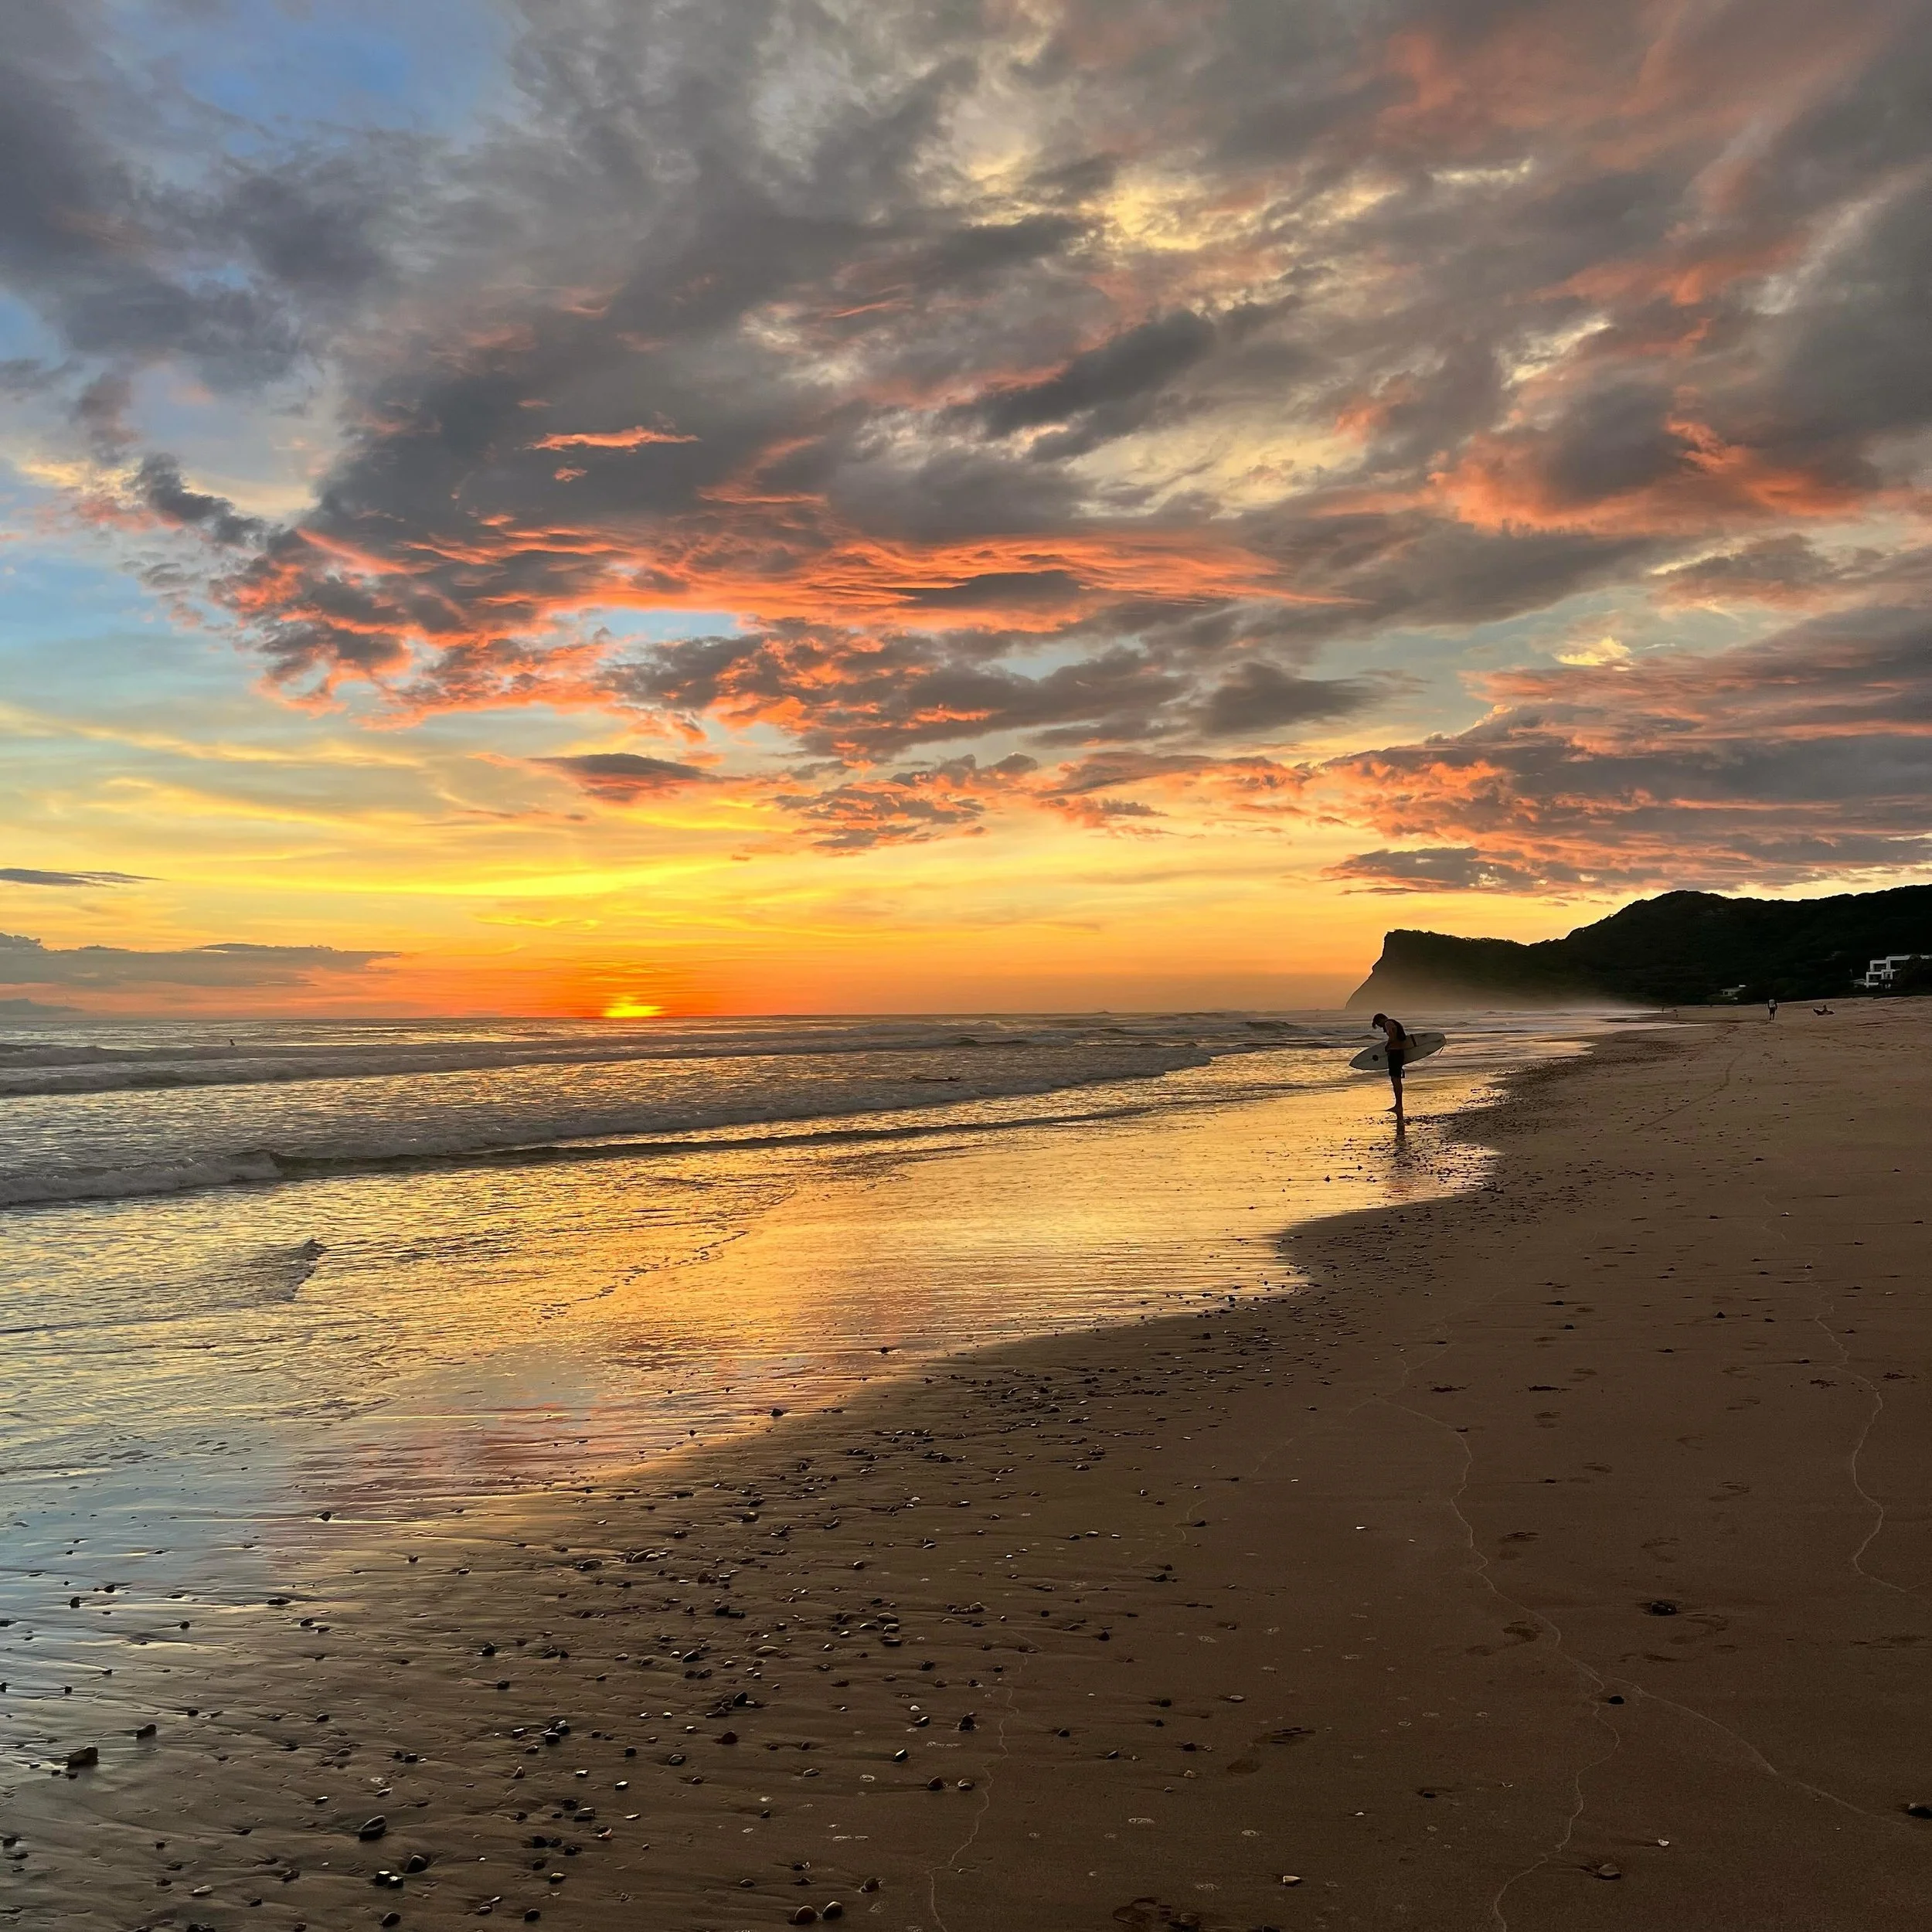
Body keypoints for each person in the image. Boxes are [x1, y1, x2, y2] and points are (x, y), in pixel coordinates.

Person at [1370, 1012, 1410, 1128]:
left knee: (1395, 1079)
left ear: (1380, 1020)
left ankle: (1398, 1105)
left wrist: (1388, 1045)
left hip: (1395, 1053)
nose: (1382, 1028)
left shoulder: (1388, 1023)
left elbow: (1392, 1034)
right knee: (1396, 1079)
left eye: (1379, 1025)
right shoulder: (1395, 1023)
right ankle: (1398, 1105)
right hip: (1399, 1053)